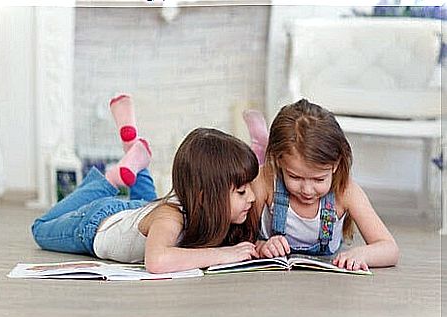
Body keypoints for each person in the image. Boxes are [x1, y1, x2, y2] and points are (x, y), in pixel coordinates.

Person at [31, 95, 259, 274]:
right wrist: (224, 254)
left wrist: (267, 245)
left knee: (150, 206)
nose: (252, 197)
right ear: (203, 196)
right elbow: (156, 262)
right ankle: (111, 179)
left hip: (141, 212)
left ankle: (134, 149)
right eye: (241, 191)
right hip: (96, 223)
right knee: (40, 228)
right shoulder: (170, 218)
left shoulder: (203, 212)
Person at [242, 99, 399, 271]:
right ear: (279, 162)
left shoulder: (345, 191)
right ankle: (260, 148)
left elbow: (389, 248)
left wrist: (362, 254)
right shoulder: (265, 181)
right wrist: (260, 245)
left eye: (319, 179)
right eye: (295, 177)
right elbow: (239, 240)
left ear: (335, 164)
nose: (307, 190)